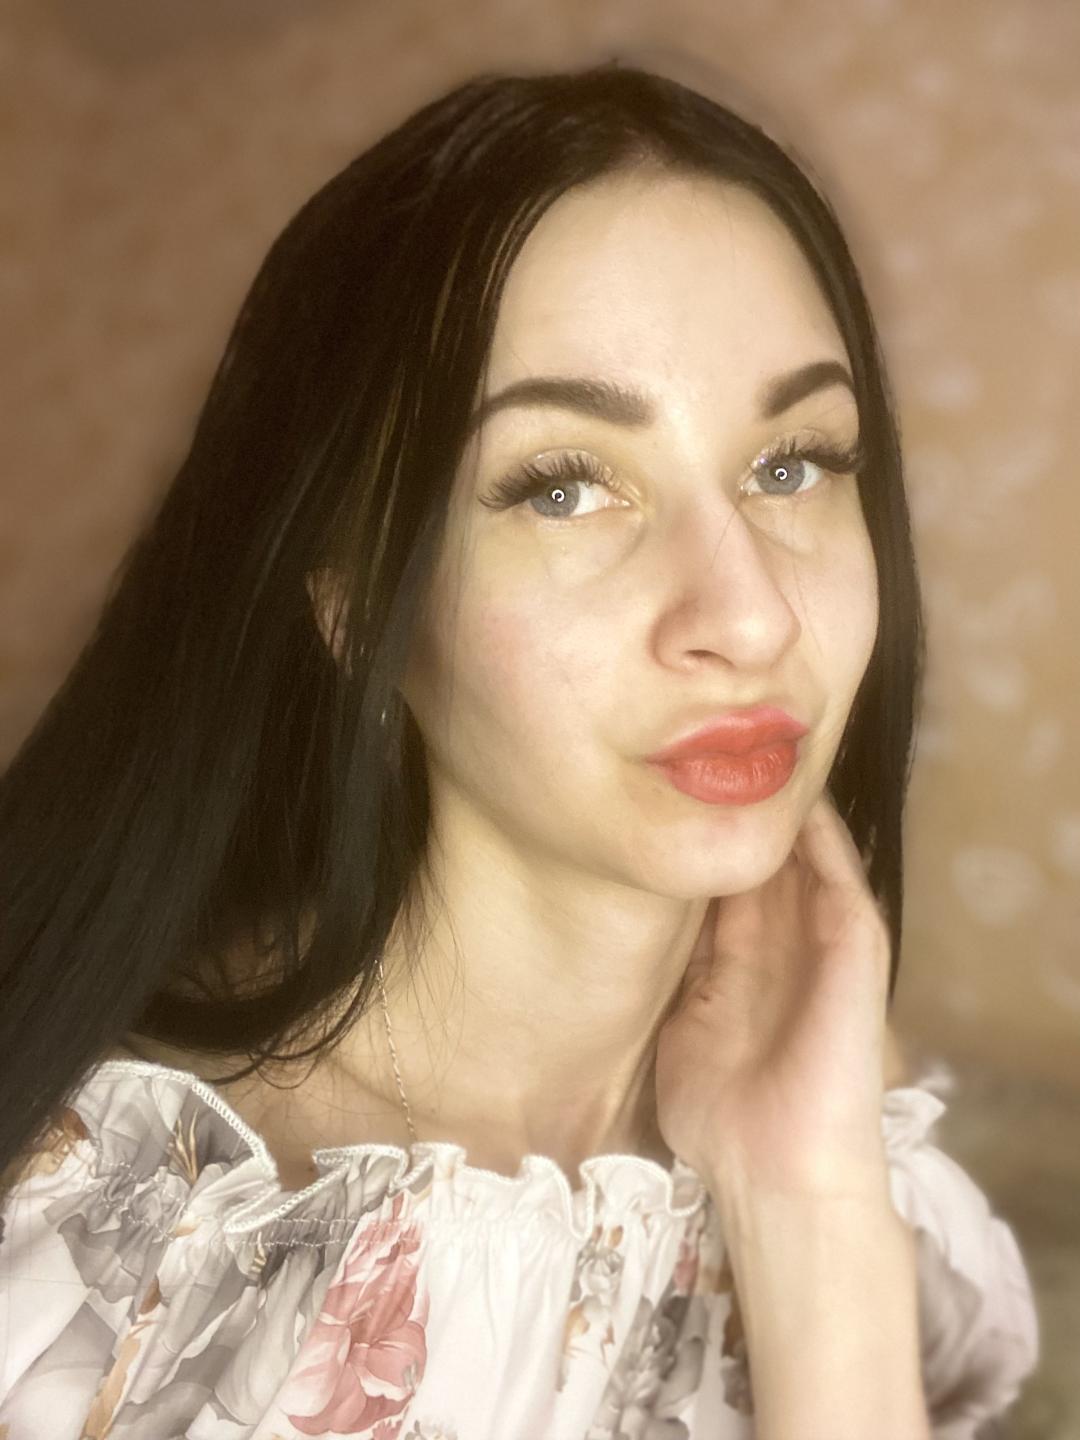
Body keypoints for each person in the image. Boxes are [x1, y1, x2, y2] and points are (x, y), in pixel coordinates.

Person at [0, 59, 1039, 1440]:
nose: (750, 616)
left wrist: (810, 1202)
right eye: (564, 487)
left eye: (792, 464)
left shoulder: (857, 1143)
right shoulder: (109, 1258)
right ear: (355, 599)